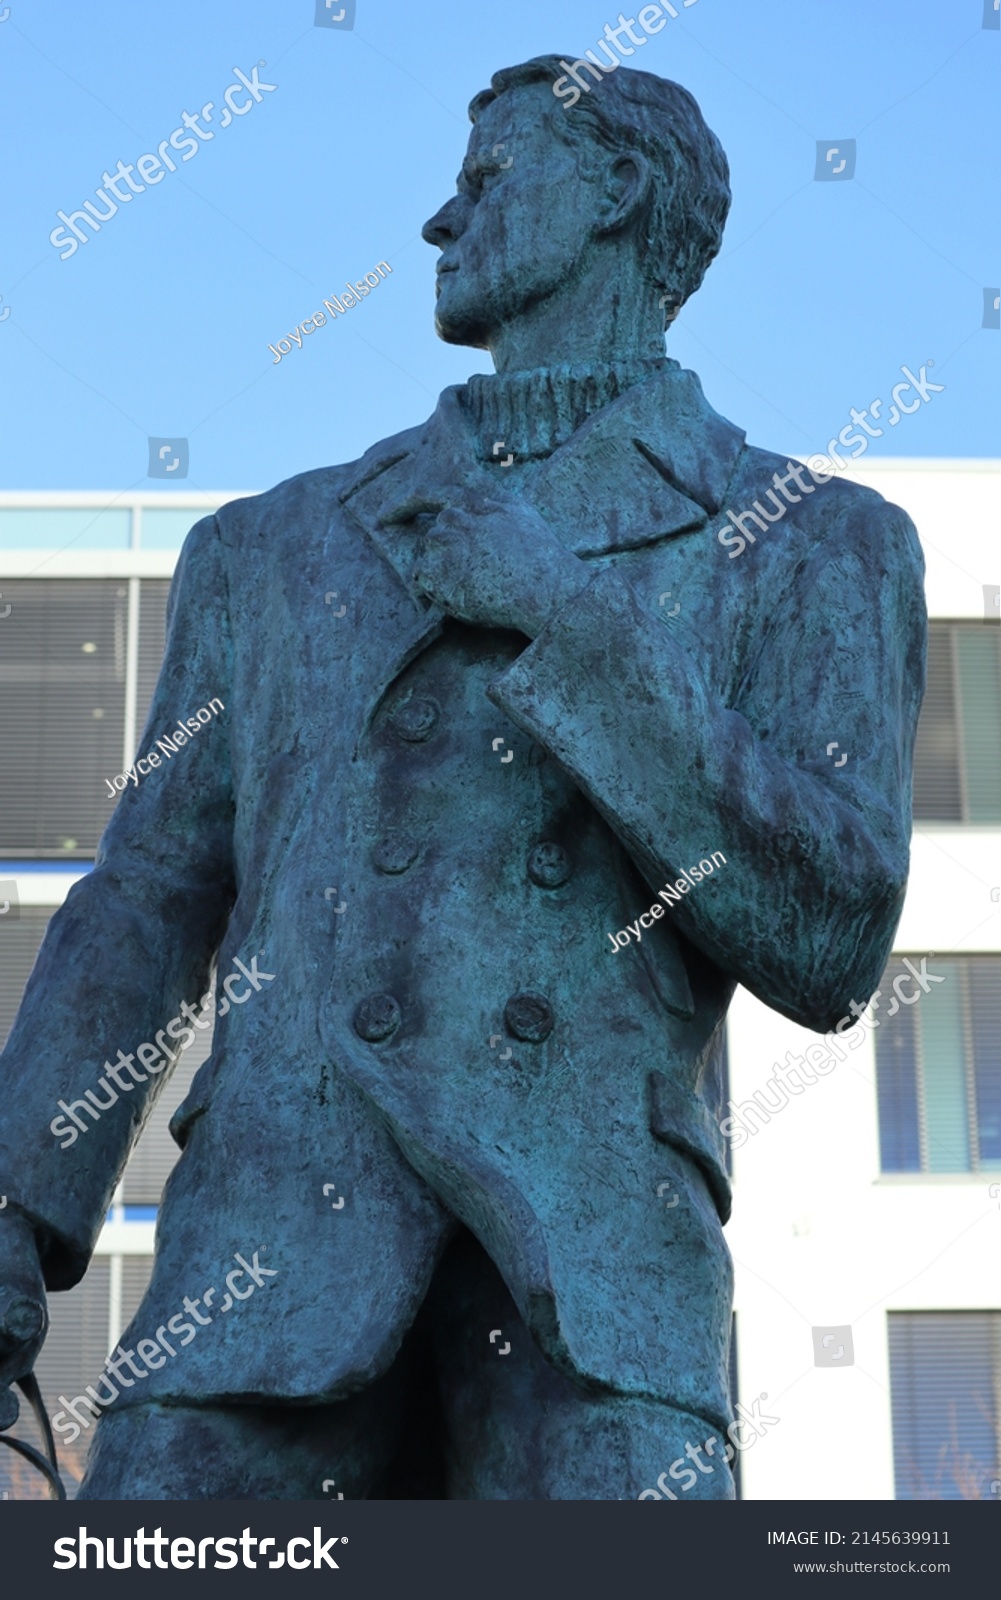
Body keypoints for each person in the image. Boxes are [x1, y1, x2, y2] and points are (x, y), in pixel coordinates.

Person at [0, 55, 925, 1499]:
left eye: (486, 181)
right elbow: (146, 898)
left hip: (597, 1286)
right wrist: (15, 1205)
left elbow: (833, 930)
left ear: (616, 192)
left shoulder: (810, 541)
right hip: (262, 1265)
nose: (439, 224)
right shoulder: (275, 550)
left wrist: (564, 618)